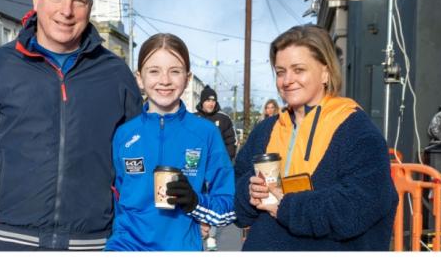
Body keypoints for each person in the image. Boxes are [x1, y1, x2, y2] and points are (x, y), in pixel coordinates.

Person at [0, 0, 144, 251]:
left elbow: (137, 165)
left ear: (90, 7)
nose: (66, 11)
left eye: (78, 0)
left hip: (95, 246)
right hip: (12, 243)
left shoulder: (116, 75)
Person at [234, 25, 398, 250]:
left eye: (298, 69)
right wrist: (248, 193)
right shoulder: (266, 130)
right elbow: (236, 190)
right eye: (280, 72)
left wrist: (285, 207)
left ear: (325, 72)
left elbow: (360, 205)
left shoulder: (357, 130)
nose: (287, 80)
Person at [106, 34, 235, 251]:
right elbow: (116, 199)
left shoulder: (205, 133)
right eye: (154, 71)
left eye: (174, 71)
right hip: (126, 247)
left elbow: (229, 206)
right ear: (139, 78)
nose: (164, 80)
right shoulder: (124, 134)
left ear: (187, 78)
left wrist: (196, 204)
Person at [194, 85, 237, 250]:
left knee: (214, 200)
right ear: (202, 102)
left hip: (216, 168)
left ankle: (211, 236)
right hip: (197, 166)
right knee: (197, 198)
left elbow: (230, 142)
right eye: (207, 100)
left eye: (213, 100)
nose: (211, 103)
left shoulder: (223, 119)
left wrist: (224, 161)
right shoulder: (194, 118)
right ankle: (197, 231)